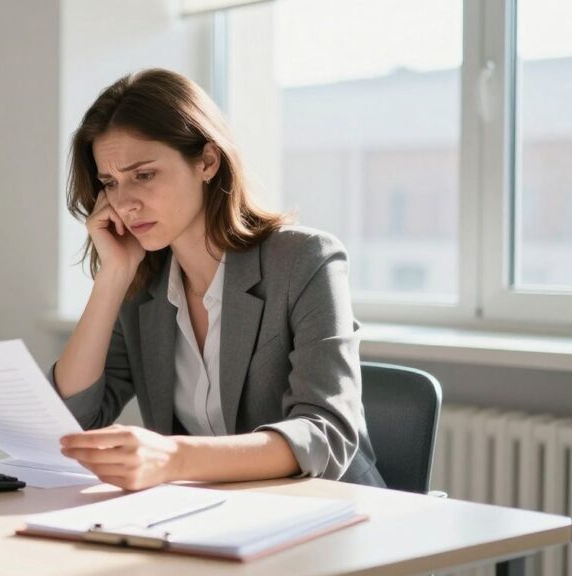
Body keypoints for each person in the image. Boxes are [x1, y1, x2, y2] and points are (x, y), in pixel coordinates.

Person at [52, 68, 385, 491]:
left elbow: (325, 433)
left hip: (326, 513)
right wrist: (112, 277)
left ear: (207, 161)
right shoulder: (143, 285)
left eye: (144, 175)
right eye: (110, 183)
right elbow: (73, 421)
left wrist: (173, 458)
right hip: (208, 518)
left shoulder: (305, 261)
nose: (125, 203)